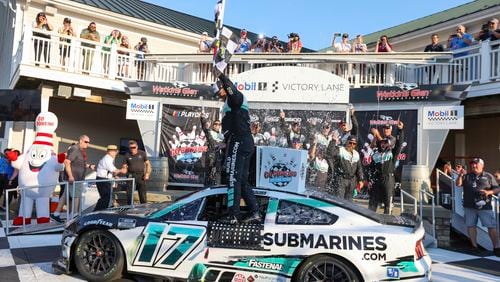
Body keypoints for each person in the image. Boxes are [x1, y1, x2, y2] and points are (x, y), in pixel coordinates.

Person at [214, 73, 260, 224]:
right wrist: (226, 142)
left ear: (224, 89)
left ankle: (233, 215)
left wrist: (222, 76)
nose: (218, 95)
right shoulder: (231, 102)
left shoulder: (235, 98)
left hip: (239, 142)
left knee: (232, 177)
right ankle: (254, 212)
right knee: (242, 180)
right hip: (242, 141)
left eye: (218, 91)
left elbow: (232, 90)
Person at [456, 158, 499, 254]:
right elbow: (458, 184)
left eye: (476, 164)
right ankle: (474, 246)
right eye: (472, 164)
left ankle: (496, 248)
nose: (474, 166)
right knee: (471, 226)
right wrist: (460, 175)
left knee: (491, 227)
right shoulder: (467, 176)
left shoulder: (488, 176)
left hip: (485, 207)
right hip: (469, 206)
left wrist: (489, 192)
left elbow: (497, 189)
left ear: (482, 166)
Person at [51, 135, 94, 222]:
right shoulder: (75, 149)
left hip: (76, 178)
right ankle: (73, 218)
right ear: (81, 141)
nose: (87, 144)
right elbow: (67, 162)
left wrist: (89, 166)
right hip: (75, 179)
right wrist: (70, 176)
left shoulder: (81, 151)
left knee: (64, 196)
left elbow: (79, 163)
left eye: (88, 142)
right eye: (86, 142)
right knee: (76, 197)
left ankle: (56, 214)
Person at [368, 120, 404, 214]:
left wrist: (400, 130)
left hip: (388, 178)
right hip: (377, 178)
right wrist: (369, 179)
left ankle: (387, 224)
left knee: (388, 204)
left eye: (388, 128)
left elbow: (396, 144)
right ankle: (369, 222)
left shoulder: (392, 147)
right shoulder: (375, 152)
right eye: (384, 128)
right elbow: (371, 166)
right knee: (372, 203)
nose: (386, 130)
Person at [326, 135, 364, 200]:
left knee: (349, 203)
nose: (352, 145)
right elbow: (329, 153)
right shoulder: (340, 150)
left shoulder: (356, 154)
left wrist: (361, 179)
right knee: (339, 201)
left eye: (354, 144)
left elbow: (359, 168)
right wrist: (333, 141)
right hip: (341, 180)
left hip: (352, 181)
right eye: (350, 142)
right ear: (347, 142)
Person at [94, 145, 124, 211]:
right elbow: (114, 170)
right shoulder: (107, 159)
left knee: (106, 198)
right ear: (109, 152)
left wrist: (114, 175)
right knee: (105, 198)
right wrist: (122, 170)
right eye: (113, 151)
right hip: (102, 180)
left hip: (104, 180)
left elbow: (111, 171)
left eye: (115, 151)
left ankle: (101, 211)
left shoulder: (109, 159)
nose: (115, 153)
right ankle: (97, 212)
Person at [122, 140, 151, 204]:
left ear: (137, 147)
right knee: (129, 192)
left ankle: (143, 206)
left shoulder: (142, 153)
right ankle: (129, 207)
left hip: (140, 175)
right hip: (130, 175)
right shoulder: (127, 155)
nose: (132, 149)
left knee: (142, 192)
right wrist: (123, 169)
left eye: (134, 147)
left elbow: (148, 164)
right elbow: (124, 166)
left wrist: (147, 174)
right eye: (131, 148)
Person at [201, 116, 224, 186]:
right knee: (208, 173)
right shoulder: (210, 132)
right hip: (211, 155)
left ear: (220, 126)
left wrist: (222, 145)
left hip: (218, 156)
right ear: (213, 125)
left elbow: (225, 145)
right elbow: (205, 129)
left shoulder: (222, 135)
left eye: (219, 124)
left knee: (218, 173)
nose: (217, 126)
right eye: (215, 124)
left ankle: (217, 189)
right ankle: (206, 189)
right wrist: (203, 119)